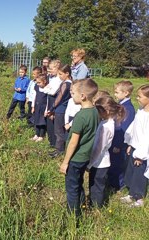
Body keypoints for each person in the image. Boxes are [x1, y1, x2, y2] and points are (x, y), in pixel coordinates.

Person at [59, 78, 99, 218]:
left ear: (83, 96)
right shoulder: (94, 112)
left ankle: (73, 217)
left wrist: (65, 162)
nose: (72, 95)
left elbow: (73, 142)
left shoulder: (81, 116)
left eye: (74, 92)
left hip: (75, 158)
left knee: (72, 188)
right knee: (78, 182)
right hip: (85, 157)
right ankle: (82, 205)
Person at [87, 96, 125, 207]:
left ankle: (97, 206)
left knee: (97, 186)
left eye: (98, 111)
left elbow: (99, 148)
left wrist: (90, 164)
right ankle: (92, 202)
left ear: (106, 111)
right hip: (98, 161)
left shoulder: (106, 127)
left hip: (100, 162)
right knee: (94, 184)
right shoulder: (106, 122)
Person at [121, 84, 149, 207]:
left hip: (142, 151)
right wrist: (129, 143)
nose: (137, 98)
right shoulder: (141, 111)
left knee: (139, 174)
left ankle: (139, 197)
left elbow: (147, 137)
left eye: (140, 97)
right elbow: (134, 127)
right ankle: (131, 193)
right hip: (134, 146)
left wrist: (140, 155)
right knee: (131, 171)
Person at [108, 80, 135, 191]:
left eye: (117, 92)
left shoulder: (128, 109)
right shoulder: (121, 105)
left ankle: (118, 184)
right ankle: (112, 182)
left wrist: (118, 145)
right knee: (113, 161)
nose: (115, 94)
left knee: (117, 164)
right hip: (114, 138)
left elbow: (124, 129)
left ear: (126, 93)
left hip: (119, 141)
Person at [47, 64, 72, 157]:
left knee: (58, 131)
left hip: (60, 109)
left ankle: (59, 150)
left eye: (61, 74)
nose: (59, 76)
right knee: (60, 131)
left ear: (67, 73)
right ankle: (59, 149)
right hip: (64, 109)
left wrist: (51, 108)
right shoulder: (71, 83)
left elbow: (59, 97)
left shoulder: (66, 84)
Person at [42, 60, 62, 147]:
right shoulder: (53, 79)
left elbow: (52, 92)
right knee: (49, 124)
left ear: (57, 68)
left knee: (54, 125)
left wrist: (48, 89)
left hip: (54, 103)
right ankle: (51, 142)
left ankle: (55, 144)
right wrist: (48, 89)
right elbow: (45, 89)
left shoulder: (59, 80)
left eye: (51, 68)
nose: (49, 70)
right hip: (49, 102)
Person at [31, 74, 48, 142]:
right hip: (37, 107)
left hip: (43, 108)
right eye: (37, 82)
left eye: (39, 82)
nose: (38, 84)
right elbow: (34, 97)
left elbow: (48, 100)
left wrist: (46, 110)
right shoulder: (37, 88)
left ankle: (41, 135)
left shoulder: (47, 89)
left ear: (44, 81)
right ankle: (36, 134)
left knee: (42, 122)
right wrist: (33, 106)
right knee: (36, 120)